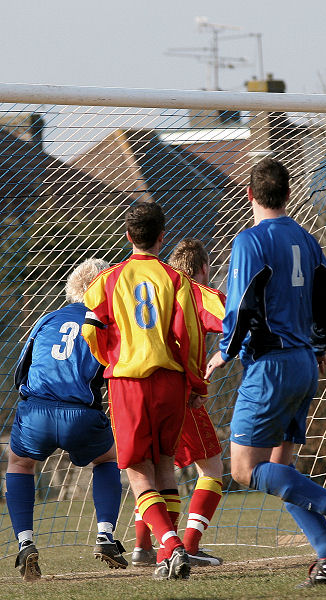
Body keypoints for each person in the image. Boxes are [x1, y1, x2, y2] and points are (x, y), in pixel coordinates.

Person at [205, 157, 326, 588]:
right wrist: (320, 344)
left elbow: (239, 304)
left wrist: (225, 349)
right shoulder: (305, 239)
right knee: (283, 467)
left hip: (272, 366)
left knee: (243, 469)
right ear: (289, 194)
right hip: (304, 364)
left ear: (250, 195)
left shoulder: (250, 241)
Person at [82, 202, 209, 580]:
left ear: (127, 236)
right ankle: (167, 555)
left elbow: (91, 329)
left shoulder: (107, 280)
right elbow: (190, 336)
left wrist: (110, 358)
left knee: (139, 473)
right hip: (170, 381)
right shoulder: (176, 279)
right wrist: (196, 382)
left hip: (129, 382)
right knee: (164, 464)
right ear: (162, 237)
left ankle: (170, 547)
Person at [6, 258, 127, 582]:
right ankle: (104, 535)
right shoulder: (107, 324)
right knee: (107, 460)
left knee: (19, 464)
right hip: (80, 415)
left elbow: (21, 372)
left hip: (37, 412)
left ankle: (25, 542)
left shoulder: (47, 318)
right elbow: (117, 372)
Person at [131, 238, 225, 568]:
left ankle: (143, 547)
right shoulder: (198, 292)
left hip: (139, 392)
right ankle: (188, 545)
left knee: (151, 470)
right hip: (181, 394)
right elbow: (234, 322)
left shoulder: (155, 287)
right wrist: (221, 354)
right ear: (204, 268)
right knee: (212, 468)